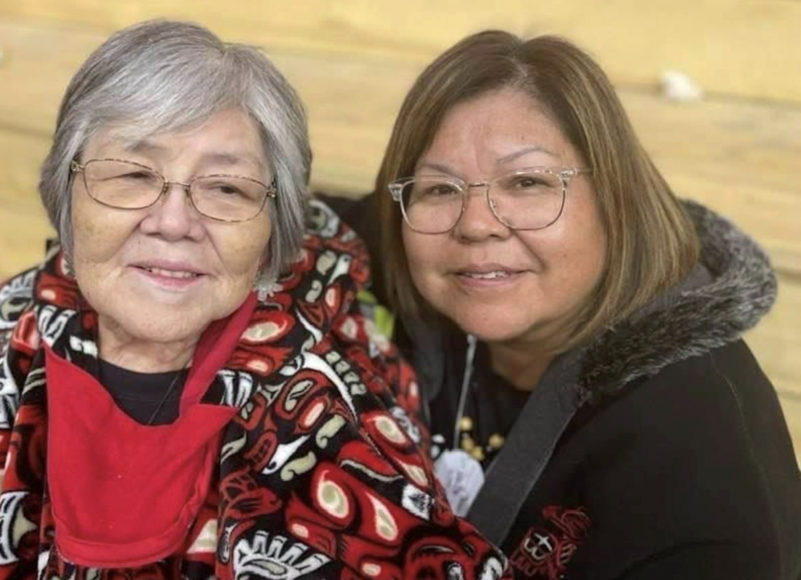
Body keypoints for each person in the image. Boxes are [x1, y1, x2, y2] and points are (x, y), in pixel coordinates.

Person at [0, 21, 508, 579]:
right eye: (133, 174)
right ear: (66, 203)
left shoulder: (334, 407)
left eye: (226, 189)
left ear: (273, 231)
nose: (173, 220)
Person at [324, 30, 801, 579]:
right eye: (440, 189)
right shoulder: (410, 258)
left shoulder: (699, 443)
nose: (476, 224)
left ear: (614, 198)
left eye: (527, 182)